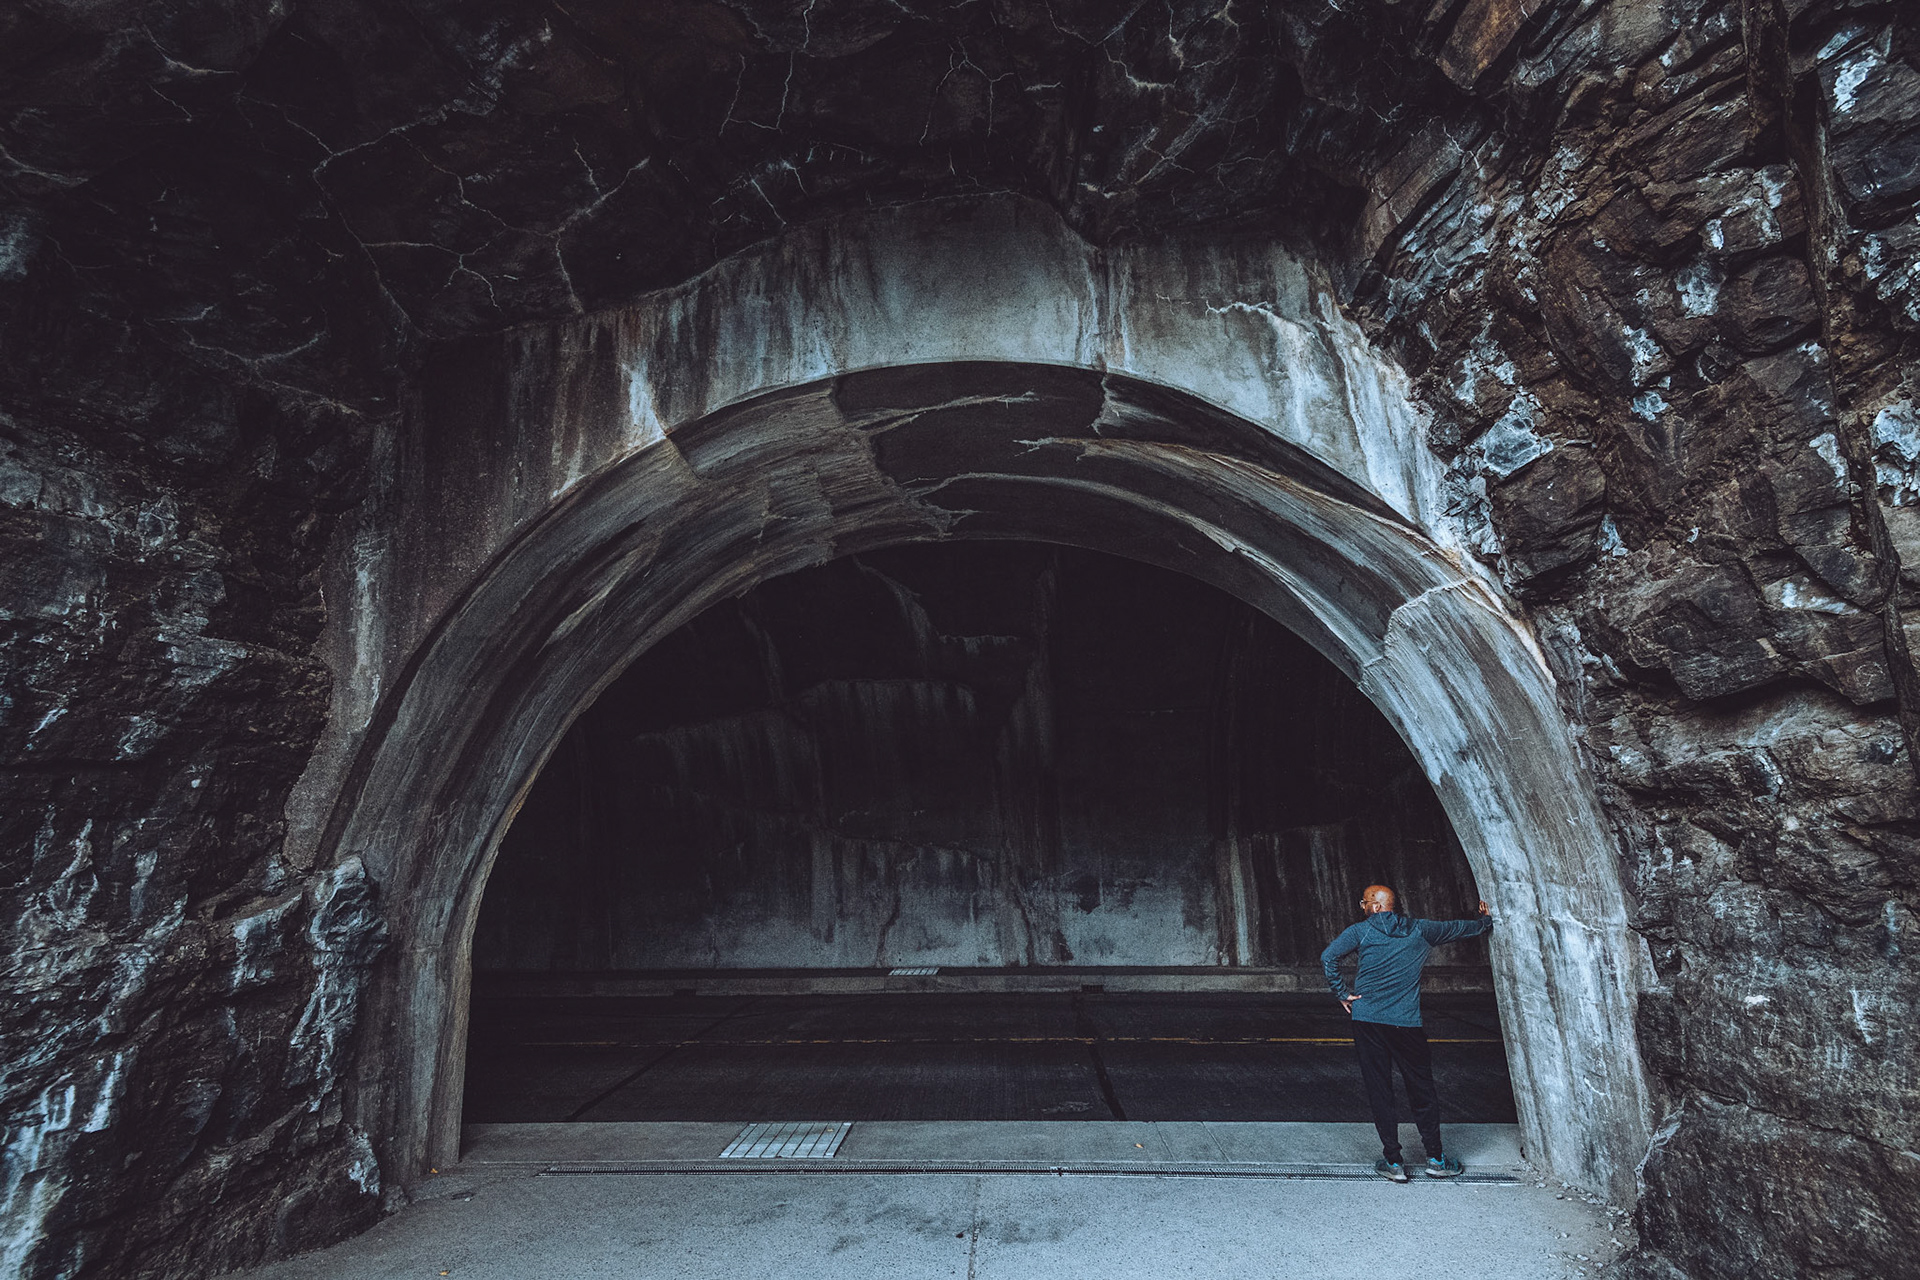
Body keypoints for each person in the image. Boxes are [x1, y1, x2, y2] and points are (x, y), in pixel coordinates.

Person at [1320, 884, 1492, 1183]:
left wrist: (1342, 993)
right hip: (1407, 1024)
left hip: (1368, 1021)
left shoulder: (1360, 932)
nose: (1362, 906)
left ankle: (1393, 1162)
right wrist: (1485, 922)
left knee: (1380, 1089)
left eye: (1364, 902)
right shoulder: (1421, 930)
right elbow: (1459, 929)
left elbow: (1328, 957)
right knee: (1422, 1088)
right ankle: (1436, 1159)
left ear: (1375, 907)